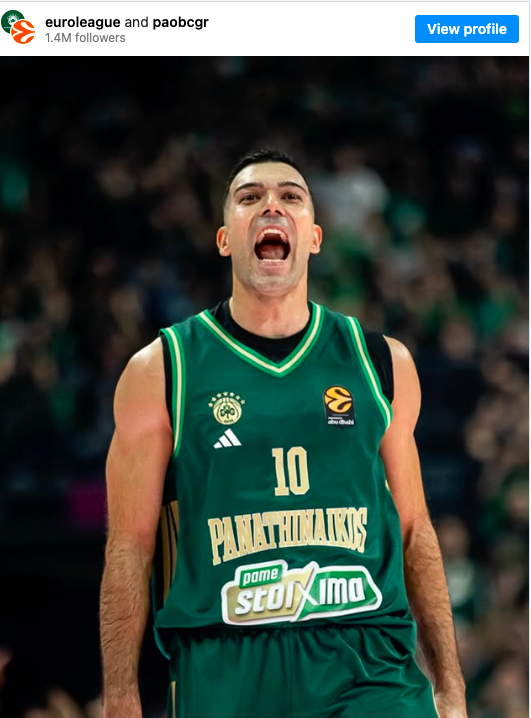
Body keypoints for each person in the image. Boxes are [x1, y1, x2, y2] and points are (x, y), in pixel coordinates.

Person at [100, 149, 467, 718]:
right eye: (250, 198)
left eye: (291, 196)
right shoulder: (163, 368)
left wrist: (450, 685)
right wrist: (121, 697)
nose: (271, 205)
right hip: (225, 661)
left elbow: (415, 528)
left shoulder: (380, 362)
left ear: (314, 238)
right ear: (225, 239)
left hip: (366, 658)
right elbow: (130, 544)